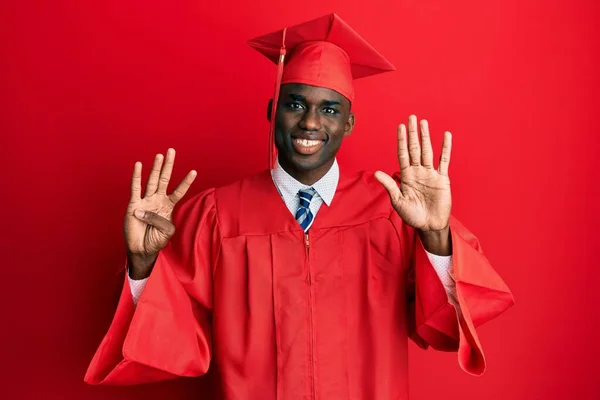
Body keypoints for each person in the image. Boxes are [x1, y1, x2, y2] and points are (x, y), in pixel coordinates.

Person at [85, 13, 514, 400]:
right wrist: (143, 263)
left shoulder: (392, 209)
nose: (310, 123)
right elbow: (173, 341)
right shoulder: (216, 216)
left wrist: (434, 236)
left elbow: (442, 327)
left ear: (348, 122)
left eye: (329, 109)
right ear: (273, 111)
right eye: (295, 104)